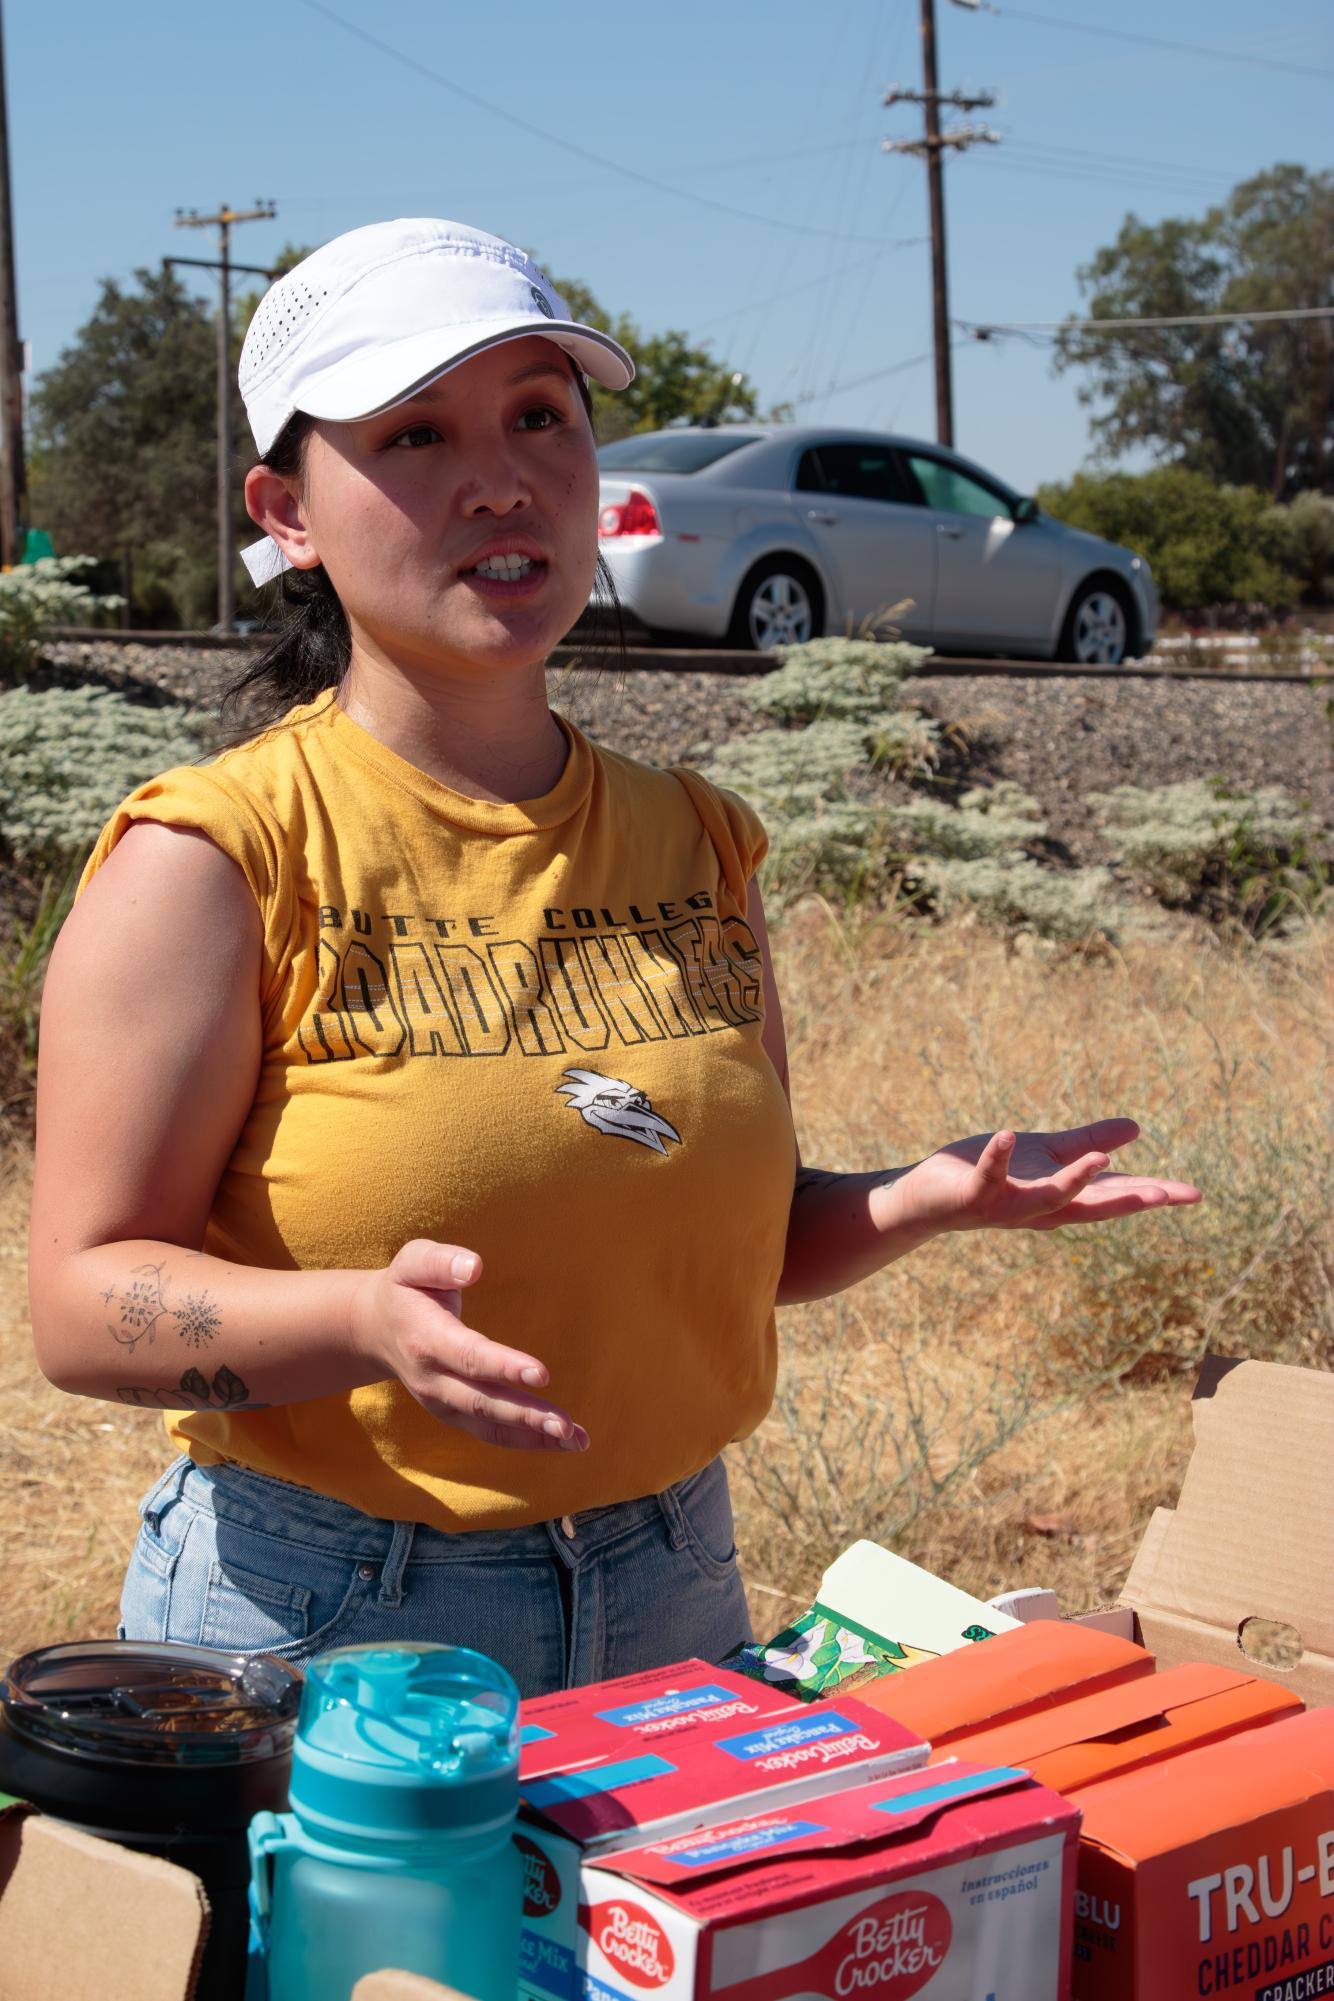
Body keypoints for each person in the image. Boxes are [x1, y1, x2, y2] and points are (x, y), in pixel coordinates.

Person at [27, 219, 1200, 1697]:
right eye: (415, 432)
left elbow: (729, 1244)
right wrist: (353, 1321)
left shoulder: (697, 839)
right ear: (289, 508)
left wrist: (912, 1200)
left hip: (674, 1580)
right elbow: (81, 1305)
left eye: (538, 416)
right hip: (332, 1614)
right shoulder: (215, 857)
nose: (499, 476)